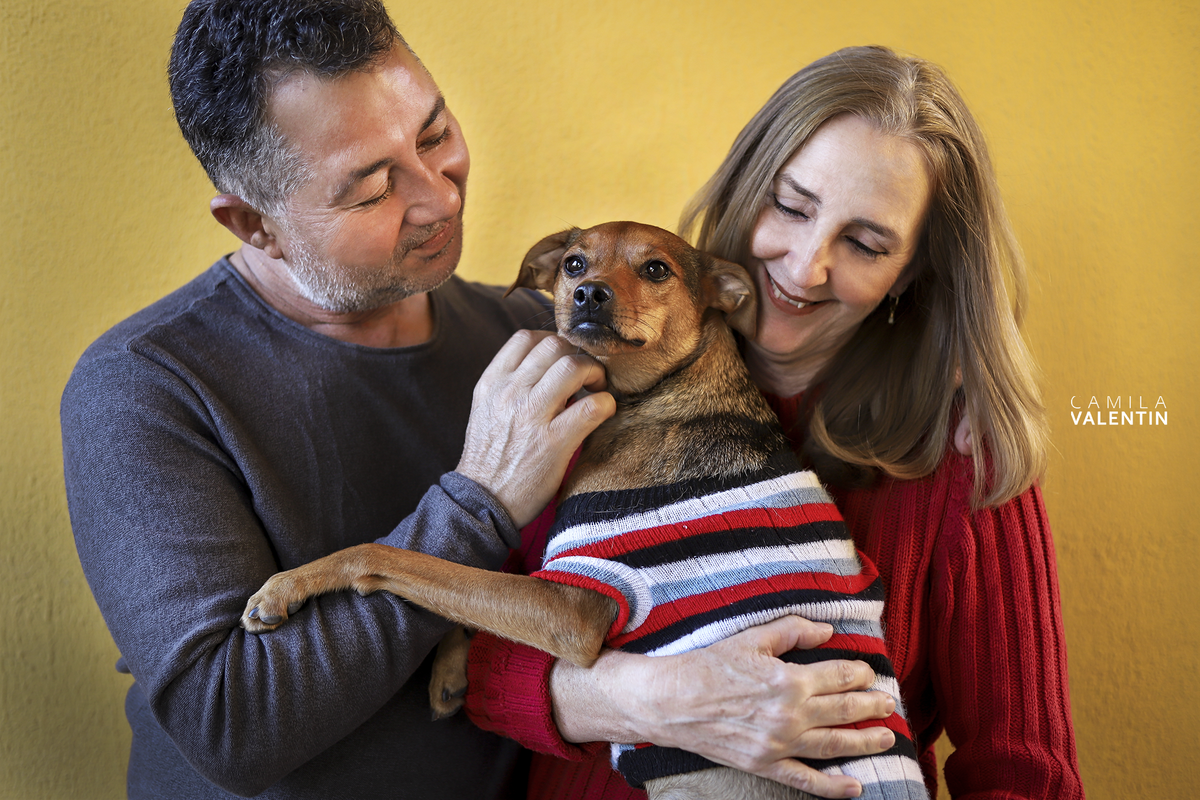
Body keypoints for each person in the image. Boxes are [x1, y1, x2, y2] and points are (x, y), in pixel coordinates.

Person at [61, 3, 897, 798]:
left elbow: (713, 435)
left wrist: (923, 377)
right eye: (371, 187)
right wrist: (478, 503)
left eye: (435, 134)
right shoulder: (142, 390)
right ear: (254, 225)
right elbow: (231, 730)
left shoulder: (545, 335)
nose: (440, 196)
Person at [463, 46, 1086, 800]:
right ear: (746, 186)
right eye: (791, 206)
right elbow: (467, 667)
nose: (803, 265)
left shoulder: (960, 462)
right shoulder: (577, 394)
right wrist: (648, 701)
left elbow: (1025, 777)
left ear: (911, 274)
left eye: (864, 243)